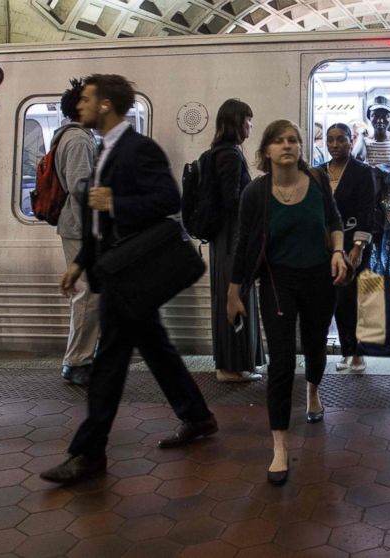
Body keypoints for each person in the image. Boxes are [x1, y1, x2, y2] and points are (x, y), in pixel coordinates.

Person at [41, 74, 217, 484]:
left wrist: (116, 201)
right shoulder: (103, 149)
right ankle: (197, 416)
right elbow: (100, 222)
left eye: (85, 99)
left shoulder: (139, 148)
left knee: (109, 363)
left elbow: (168, 201)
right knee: (155, 347)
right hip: (114, 269)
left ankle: (88, 454)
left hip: (131, 272)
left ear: (105, 105)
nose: (78, 105)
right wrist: (80, 261)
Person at [227, 119, 349, 486]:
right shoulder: (255, 193)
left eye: (293, 140)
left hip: (318, 278)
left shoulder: (316, 181)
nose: (287, 146)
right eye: (278, 140)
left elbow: (333, 219)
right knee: (281, 361)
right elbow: (244, 243)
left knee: (314, 345)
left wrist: (339, 252)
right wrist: (234, 290)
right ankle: (279, 445)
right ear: (266, 150)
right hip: (277, 282)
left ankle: (313, 391)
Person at [207, 99, 265, 383]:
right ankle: (230, 367)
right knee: (234, 294)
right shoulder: (230, 155)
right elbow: (232, 199)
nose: (251, 125)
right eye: (248, 120)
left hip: (225, 237)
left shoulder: (220, 151)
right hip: (232, 236)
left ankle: (233, 364)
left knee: (230, 295)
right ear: (236, 122)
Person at [53, 78, 99, 387]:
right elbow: (81, 188)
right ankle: (77, 361)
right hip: (80, 227)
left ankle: (83, 356)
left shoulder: (66, 136)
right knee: (88, 294)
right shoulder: (80, 140)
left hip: (77, 225)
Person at [319, 123, 375, 373]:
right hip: (326, 246)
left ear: (351, 142)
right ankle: (345, 350)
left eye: (340, 139)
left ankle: (357, 352)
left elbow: (367, 211)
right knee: (334, 300)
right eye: (330, 140)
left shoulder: (362, 172)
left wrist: (359, 246)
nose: (334, 145)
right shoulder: (318, 172)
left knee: (353, 300)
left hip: (353, 244)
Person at [353, 96, 390, 168]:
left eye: (385, 116)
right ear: (369, 117)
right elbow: (355, 162)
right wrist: (361, 137)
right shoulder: (365, 141)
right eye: (375, 115)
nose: (380, 120)